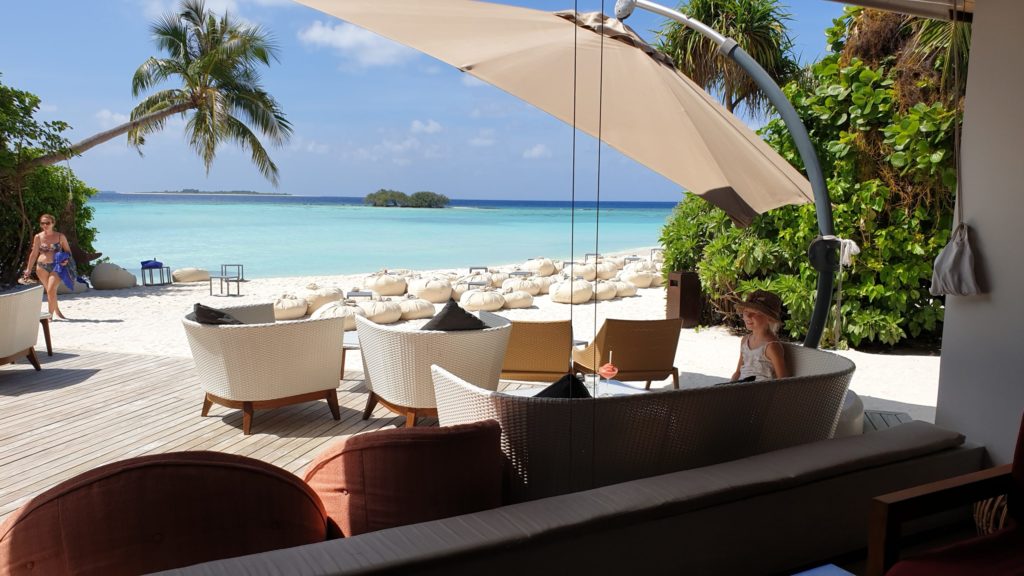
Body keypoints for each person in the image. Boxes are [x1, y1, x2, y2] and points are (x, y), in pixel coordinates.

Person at [731, 290, 789, 381]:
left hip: (761, 389)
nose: (748, 316)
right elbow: (738, 372)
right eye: (746, 311)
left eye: (755, 313)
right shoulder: (745, 340)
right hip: (741, 386)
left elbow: (784, 380)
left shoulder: (771, 346)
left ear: (769, 318)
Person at [23, 213, 72, 320]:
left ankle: (49, 316)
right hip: (41, 267)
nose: (45, 225)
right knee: (51, 292)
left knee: (51, 290)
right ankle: (57, 311)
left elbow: (68, 252)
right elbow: (34, 254)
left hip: (57, 266)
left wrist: (66, 260)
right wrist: (28, 269)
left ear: (53, 223)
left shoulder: (60, 236)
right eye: (42, 223)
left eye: (47, 223)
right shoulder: (38, 237)